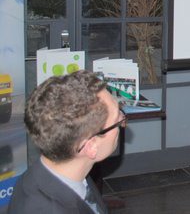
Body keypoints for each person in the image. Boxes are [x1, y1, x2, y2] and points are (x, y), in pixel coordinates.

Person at [8, 70, 125, 213]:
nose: (122, 122)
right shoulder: (48, 209)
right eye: (117, 120)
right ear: (91, 147)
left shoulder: (68, 173)